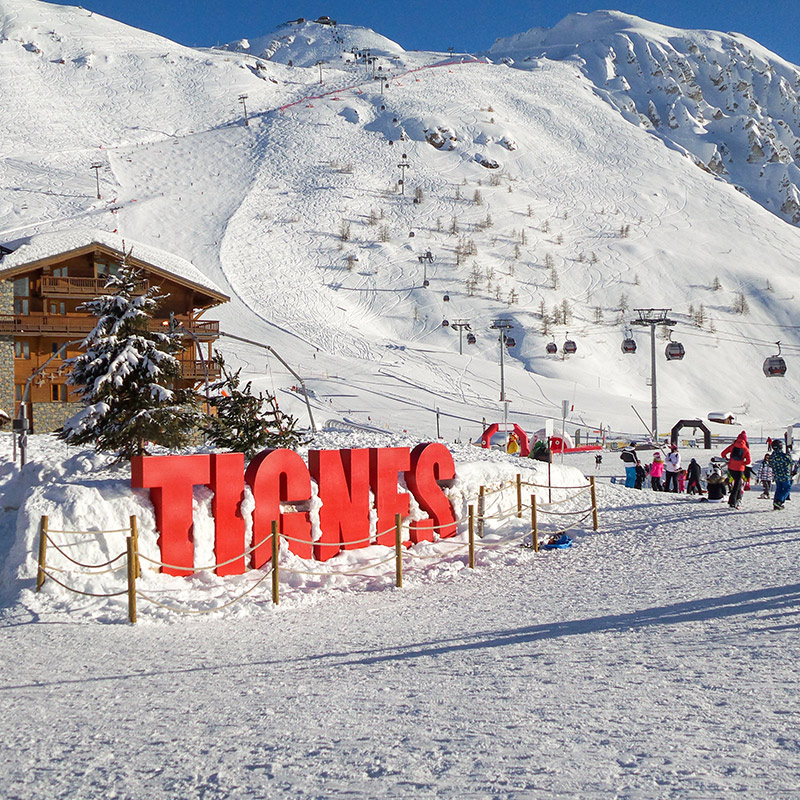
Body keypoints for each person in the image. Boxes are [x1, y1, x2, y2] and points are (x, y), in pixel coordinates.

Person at [721, 431, 751, 509]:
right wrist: (743, 463)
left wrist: (728, 459)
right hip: (740, 469)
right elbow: (748, 461)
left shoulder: (733, 446)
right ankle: (733, 501)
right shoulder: (746, 449)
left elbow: (723, 453)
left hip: (731, 468)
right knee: (737, 485)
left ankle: (736, 500)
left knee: (737, 484)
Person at [768, 439, 794, 510]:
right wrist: (789, 455)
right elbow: (791, 462)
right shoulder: (783, 456)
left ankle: (776, 503)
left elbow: (770, 464)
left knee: (779, 488)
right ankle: (779, 501)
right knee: (787, 488)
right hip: (785, 475)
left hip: (776, 475)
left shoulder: (772, 456)